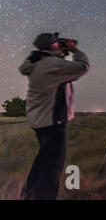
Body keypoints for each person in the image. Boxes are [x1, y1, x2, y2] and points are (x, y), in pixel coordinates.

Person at [19, 32, 89, 200]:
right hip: (53, 121)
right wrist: (74, 49)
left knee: (43, 159)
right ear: (52, 46)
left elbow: (58, 73)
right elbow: (82, 67)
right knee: (52, 167)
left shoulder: (36, 62)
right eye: (57, 43)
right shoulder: (51, 64)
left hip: (40, 121)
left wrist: (61, 54)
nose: (60, 44)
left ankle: (27, 195)